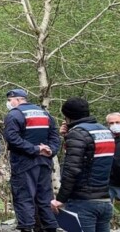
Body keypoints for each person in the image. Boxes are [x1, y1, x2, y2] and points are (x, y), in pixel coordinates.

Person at [51, 98, 114, 232]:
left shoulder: (77, 134)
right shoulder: (105, 131)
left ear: (67, 116)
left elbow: (71, 170)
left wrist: (60, 199)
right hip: (105, 200)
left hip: (82, 202)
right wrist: (68, 136)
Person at [3, 89, 60, 232]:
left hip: (24, 163)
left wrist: (35, 149)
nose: (9, 103)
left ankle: (27, 227)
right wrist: (50, 150)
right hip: (45, 162)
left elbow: (12, 138)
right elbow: (55, 137)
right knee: (45, 197)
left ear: (18, 100)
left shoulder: (15, 114)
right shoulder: (45, 114)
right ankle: (50, 227)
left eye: (10, 100)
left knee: (24, 197)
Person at [106, 113, 120, 201]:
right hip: (109, 183)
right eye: (111, 123)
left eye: (117, 122)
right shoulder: (106, 138)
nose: (115, 125)